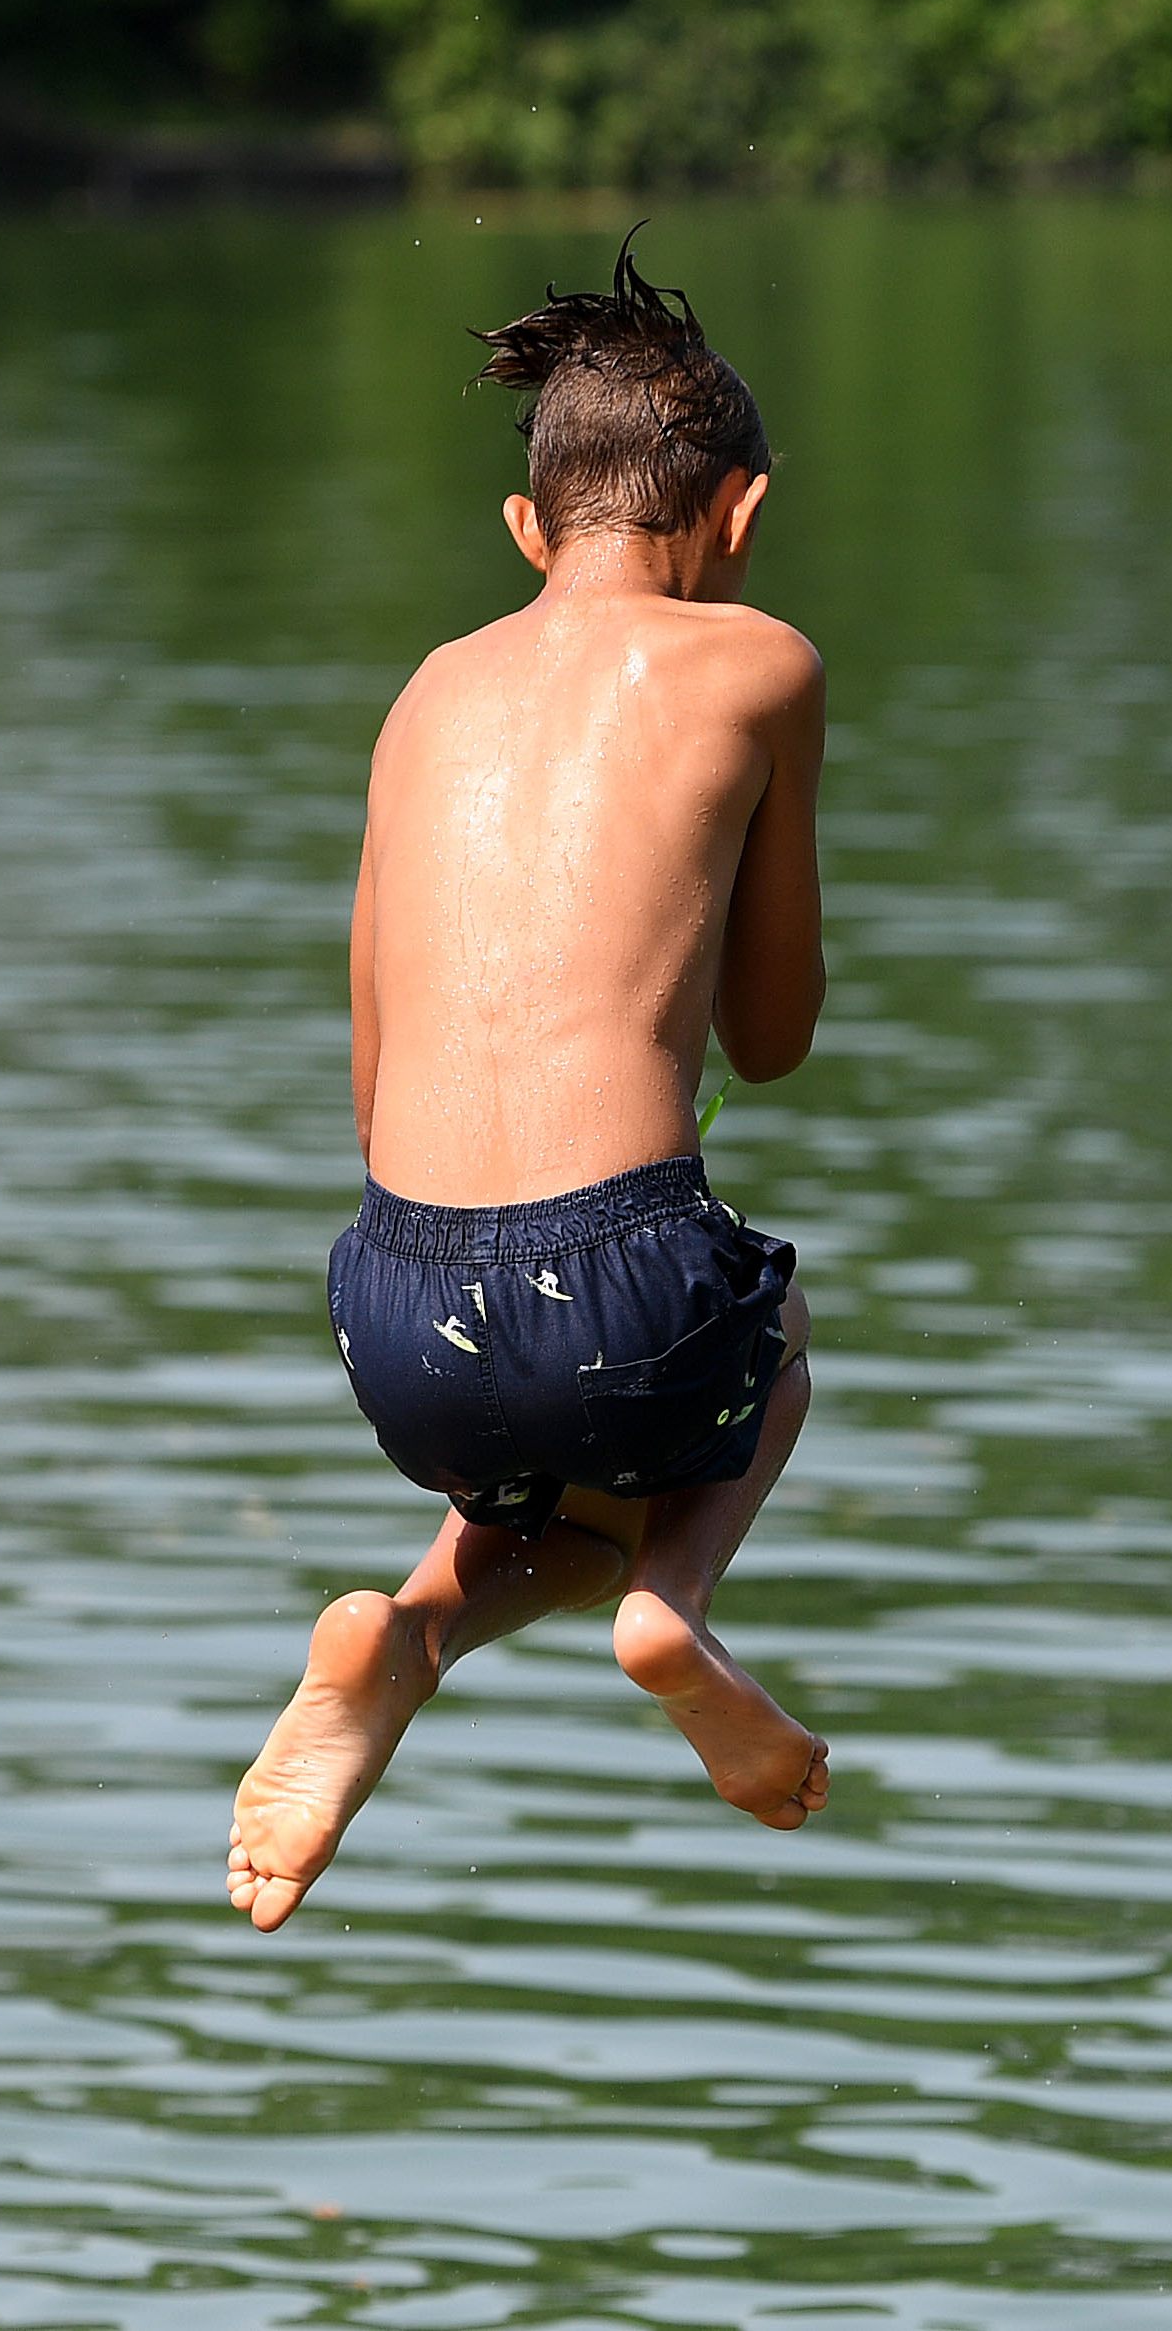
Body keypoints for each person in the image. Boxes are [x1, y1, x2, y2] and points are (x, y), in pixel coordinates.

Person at [228, 241, 829, 1928]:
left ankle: (407, 1637)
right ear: (744, 511)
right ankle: (682, 1615)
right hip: (624, 1275)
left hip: (393, 1312)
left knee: (561, 1476)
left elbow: (368, 1085)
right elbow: (773, 1037)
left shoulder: (424, 696)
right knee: (761, 1343)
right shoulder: (762, 664)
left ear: (521, 529)